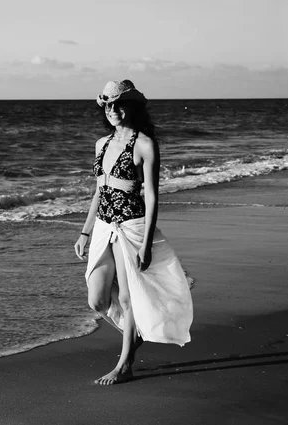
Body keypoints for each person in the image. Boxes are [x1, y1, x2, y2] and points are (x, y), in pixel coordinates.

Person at [74, 80, 193, 385]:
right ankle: (136, 330)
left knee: (127, 298)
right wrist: (85, 232)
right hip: (103, 225)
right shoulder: (101, 144)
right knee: (97, 300)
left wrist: (147, 245)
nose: (113, 110)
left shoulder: (145, 144)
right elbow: (99, 192)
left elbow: (152, 195)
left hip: (132, 226)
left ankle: (125, 362)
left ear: (133, 107)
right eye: (108, 105)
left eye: (119, 104)